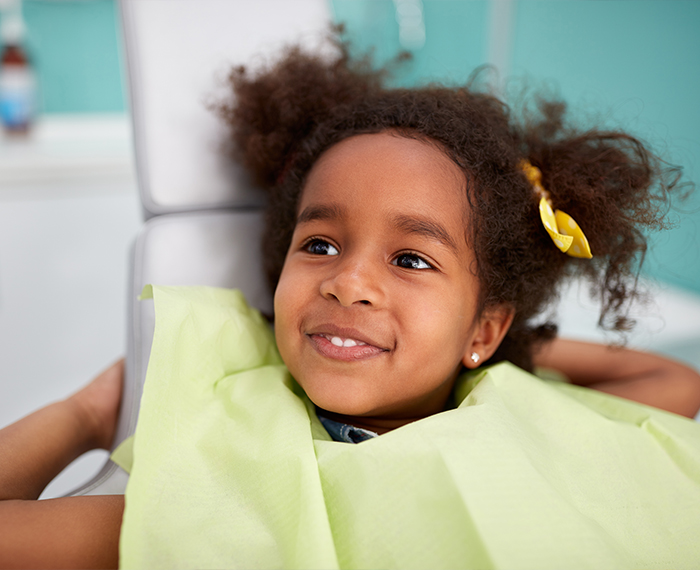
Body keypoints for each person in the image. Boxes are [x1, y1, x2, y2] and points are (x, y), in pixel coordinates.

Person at [1, 38, 700, 569]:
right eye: (320, 246)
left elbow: (673, 383)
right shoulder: (225, 477)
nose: (348, 283)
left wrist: (490, 346)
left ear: (486, 326)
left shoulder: (513, 409)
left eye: (410, 259)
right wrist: (87, 416)